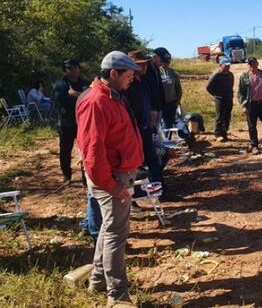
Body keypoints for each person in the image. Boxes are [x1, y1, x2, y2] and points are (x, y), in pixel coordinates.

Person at [76, 51, 143, 306]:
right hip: (111, 178)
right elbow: (92, 152)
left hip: (118, 174)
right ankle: (117, 295)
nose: (131, 80)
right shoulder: (97, 102)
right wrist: (112, 186)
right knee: (117, 233)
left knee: (109, 228)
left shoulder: (113, 97)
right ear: (113, 74)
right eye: (128, 75)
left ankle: (97, 281)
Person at [125, 51, 165, 193]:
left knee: (153, 161)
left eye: (145, 64)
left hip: (146, 128)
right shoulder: (127, 85)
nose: (144, 67)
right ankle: (134, 198)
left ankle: (159, 193)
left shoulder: (143, 82)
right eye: (140, 64)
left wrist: (151, 113)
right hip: (134, 131)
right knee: (135, 165)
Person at [53, 59, 90, 183]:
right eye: (70, 68)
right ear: (65, 71)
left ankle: (86, 176)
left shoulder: (85, 82)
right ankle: (66, 175)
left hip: (83, 122)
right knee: (65, 150)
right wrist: (81, 97)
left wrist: (75, 94)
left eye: (76, 67)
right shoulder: (60, 84)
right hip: (66, 122)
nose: (74, 70)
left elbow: (92, 98)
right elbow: (62, 101)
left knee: (86, 149)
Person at [207, 57, 235, 142]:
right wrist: (216, 95)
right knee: (220, 117)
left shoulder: (230, 75)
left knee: (227, 116)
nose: (227, 67)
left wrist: (230, 94)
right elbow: (208, 87)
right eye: (225, 65)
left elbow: (231, 85)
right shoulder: (216, 75)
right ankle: (218, 134)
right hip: (220, 99)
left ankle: (224, 133)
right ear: (220, 65)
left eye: (228, 65)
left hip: (229, 98)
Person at [154, 48, 183, 128]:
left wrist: (177, 102)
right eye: (164, 62)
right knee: (159, 126)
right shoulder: (156, 73)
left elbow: (178, 89)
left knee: (169, 124)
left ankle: (168, 139)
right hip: (161, 105)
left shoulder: (174, 73)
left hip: (172, 104)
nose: (166, 64)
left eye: (168, 62)